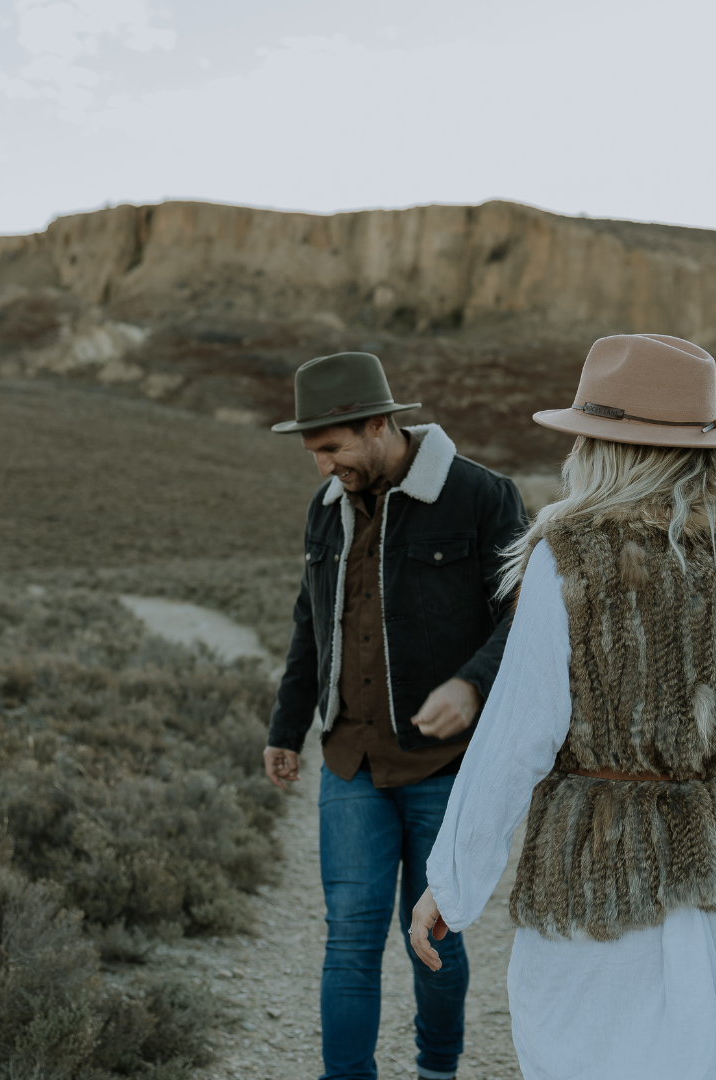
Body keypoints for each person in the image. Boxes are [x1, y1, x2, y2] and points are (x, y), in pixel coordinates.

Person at [410, 333, 716, 1080]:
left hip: (604, 863)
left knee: (603, 1054)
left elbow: (519, 734)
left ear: (600, 448)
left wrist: (454, 885)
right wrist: (708, 752)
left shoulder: (571, 553)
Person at [264, 351, 528, 1080]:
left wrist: (474, 685)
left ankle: (437, 1069)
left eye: (332, 448)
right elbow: (308, 625)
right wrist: (287, 729)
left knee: (435, 933)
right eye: (314, 451)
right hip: (349, 760)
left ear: (379, 425)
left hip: (445, 766)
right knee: (348, 938)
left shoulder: (482, 497)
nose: (322, 466)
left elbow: (524, 614)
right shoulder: (326, 512)